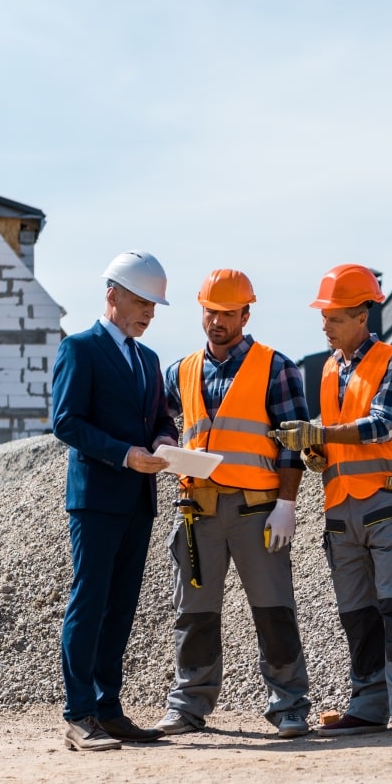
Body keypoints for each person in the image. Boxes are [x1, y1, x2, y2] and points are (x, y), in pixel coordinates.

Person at [152, 269, 313, 739]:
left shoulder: (276, 367)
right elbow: (162, 426)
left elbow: (291, 444)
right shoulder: (179, 372)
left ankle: (289, 706)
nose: (217, 321)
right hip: (196, 511)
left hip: (256, 511)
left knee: (273, 609)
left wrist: (287, 503)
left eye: (226, 313)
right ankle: (188, 706)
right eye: (210, 311)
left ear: (246, 312)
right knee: (194, 614)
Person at [270, 263, 392, 739]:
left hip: (387, 503)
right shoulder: (328, 370)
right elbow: (336, 438)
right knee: (357, 613)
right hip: (341, 511)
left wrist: (320, 431)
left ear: (362, 315)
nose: (325, 325)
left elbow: (383, 423)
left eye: (334, 317)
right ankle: (368, 702)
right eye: (324, 316)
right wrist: (316, 450)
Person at [51, 250, 178, 751]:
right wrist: (125, 455)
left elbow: (160, 419)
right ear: (112, 295)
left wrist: (165, 440)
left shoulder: (148, 360)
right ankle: (79, 714)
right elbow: (66, 422)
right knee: (90, 603)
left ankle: (109, 708)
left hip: (137, 501)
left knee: (121, 606)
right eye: (142, 301)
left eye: (154, 304)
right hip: (97, 499)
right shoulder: (79, 349)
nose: (149, 312)